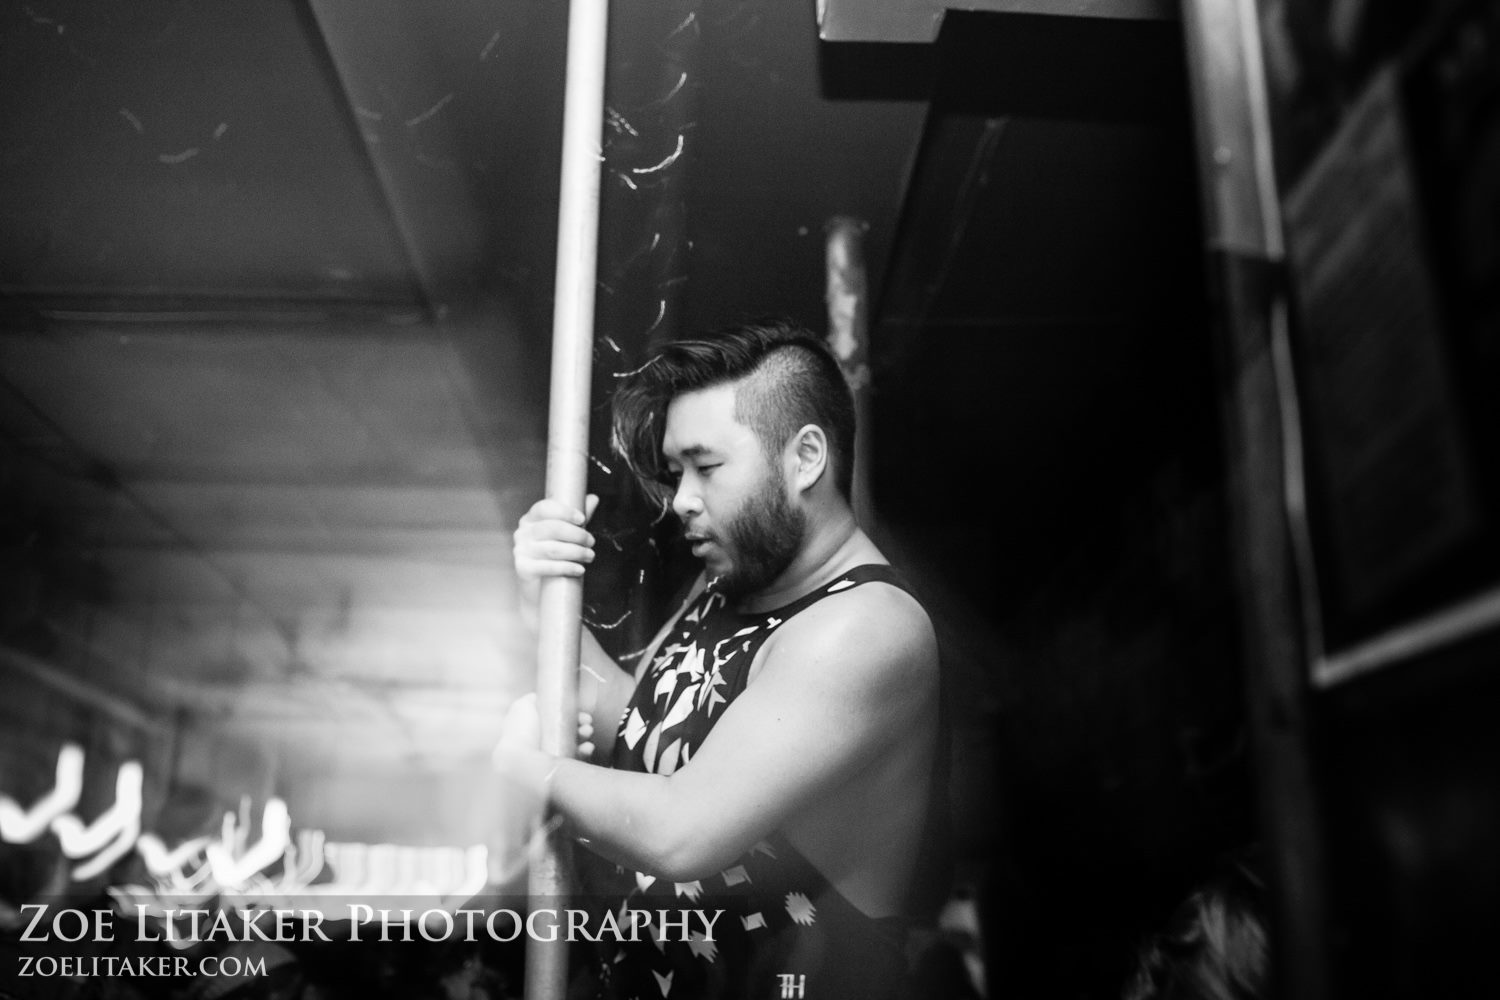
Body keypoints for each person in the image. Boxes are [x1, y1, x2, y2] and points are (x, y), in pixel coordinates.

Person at [500, 320, 944, 1000]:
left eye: (706, 468)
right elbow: (636, 726)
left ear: (805, 458)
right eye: (677, 472)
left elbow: (679, 832)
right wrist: (545, 603)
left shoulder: (866, 627)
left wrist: (524, 768)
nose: (681, 499)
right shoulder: (728, 583)